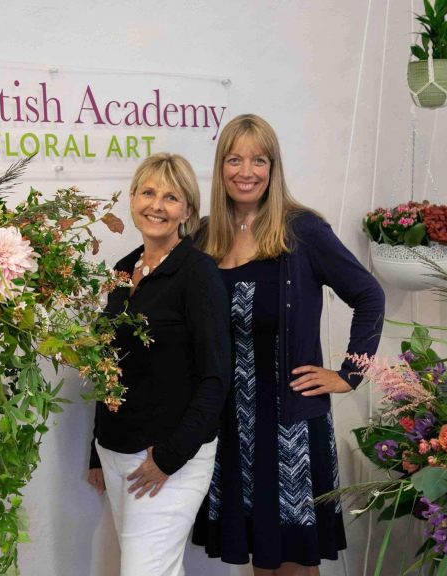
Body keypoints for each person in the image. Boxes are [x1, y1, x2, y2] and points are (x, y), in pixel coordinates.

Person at [192, 114, 385, 576]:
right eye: (234, 159)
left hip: (290, 422)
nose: (247, 171)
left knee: (295, 559)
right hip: (230, 422)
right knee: (263, 553)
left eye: (259, 159)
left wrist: (348, 374)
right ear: (220, 168)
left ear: (274, 167)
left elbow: (369, 295)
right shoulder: (205, 236)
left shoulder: (303, 231)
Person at [88, 152, 231, 576]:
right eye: (148, 192)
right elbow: (110, 365)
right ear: (132, 198)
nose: (157, 205)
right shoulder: (122, 270)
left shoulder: (199, 274)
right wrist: (96, 449)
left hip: (167, 457)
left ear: (187, 210)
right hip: (115, 449)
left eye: (171, 197)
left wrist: (169, 457)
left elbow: (215, 378)